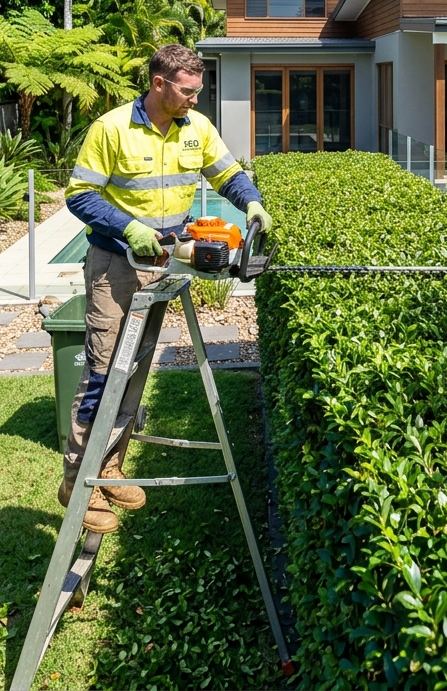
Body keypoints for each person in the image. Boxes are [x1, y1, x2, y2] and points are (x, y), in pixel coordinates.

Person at [59, 44, 272, 533]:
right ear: (159, 83)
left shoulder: (196, 128)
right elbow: (80, 194)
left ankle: (109, 467)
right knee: (102, 371)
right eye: (189, 90)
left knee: (133, 369)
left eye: (200, 90)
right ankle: (77, 479)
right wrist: (126, 228)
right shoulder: (111, 128)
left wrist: (253, 203)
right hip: (117, 264)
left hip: (162, 265)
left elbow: (227, 174)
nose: (197, 99)